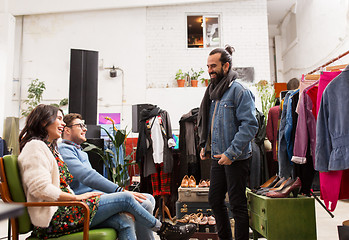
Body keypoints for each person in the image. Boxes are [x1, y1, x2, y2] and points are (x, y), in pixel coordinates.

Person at [18, 104, 196, 240]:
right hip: (58, 215)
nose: (62, 123)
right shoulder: (35, 147)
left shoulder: (52, 148)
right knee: (127, 198)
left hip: (70, 209)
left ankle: (163, 230)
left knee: (125, 220)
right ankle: (163, 230)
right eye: (58, 118)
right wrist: (78, 198)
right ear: (43, 122)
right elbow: (40, 189)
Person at [58, 113, 155, 240]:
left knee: (148, 199)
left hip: (95, 197)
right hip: (83, 204)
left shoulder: (80, 151)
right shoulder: (64, 149)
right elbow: (87, 176)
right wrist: (119, 191)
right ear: (67, 130)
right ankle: (161, 228)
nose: (85, 129)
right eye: (80, 125)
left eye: (84, 125)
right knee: (144, 202)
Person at [198, 46, 258, 240]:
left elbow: (249, 125)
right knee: (215, 200)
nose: (210, 70)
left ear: (226, 66)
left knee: (237, 205)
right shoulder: (214, 93)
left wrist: (231, 153)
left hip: (236, 158)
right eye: (208, 66)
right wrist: (204, 145)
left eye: (213, 66)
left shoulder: (239, 91)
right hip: (217, 155)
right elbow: (213, 122)